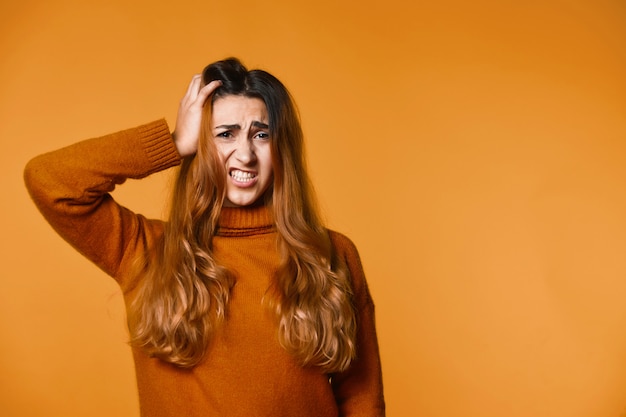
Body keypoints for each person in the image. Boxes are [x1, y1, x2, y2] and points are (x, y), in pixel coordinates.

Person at [24, 58, 385, 417]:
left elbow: (362, 397)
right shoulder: (147, 250)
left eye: (261, 134)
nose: (245, 154)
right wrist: (174, 143)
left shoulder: (332, 254)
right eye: (225, 134)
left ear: (281, 147)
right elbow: (50, 181)